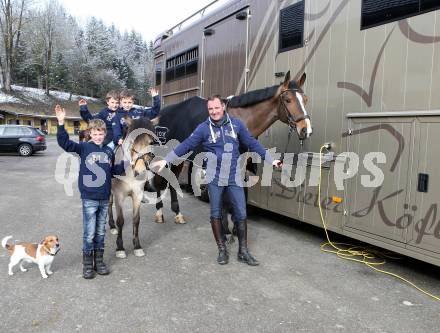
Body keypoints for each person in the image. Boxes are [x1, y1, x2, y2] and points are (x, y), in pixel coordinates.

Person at [151, 95, 281, 266]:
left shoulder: (236, 125)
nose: (213, 111)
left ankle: (243, 251)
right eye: (210, 109)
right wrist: (167, 159)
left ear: (223, 107)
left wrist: (271, 159)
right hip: (214, 177)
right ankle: (222, 250)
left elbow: (252, 143)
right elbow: (187, 144)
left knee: (241, 213)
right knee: (216, 214)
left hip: (234, 176)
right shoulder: (203, 128)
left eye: (216, 108)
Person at [56, 105, 124, 279]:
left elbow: (113, 170)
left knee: (101, 232)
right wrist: (61, 122)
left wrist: (129, 164)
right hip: (89, 198)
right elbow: (64, 143)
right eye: (95, 133)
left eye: (101, 133)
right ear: (90, 134)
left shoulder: (108, 151)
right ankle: (87, 265)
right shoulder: (84, 148)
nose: (98, 136)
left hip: (104, 198)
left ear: (104, 134)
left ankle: (99, 262)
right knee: (89, 233)